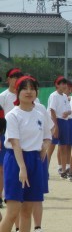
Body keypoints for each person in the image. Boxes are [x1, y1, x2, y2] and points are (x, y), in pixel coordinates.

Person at [0, 76, 51, 232]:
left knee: (27, 209)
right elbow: (15, 143)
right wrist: (22, 168)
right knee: (13, 211)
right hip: (16, 160)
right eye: (25, 88)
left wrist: (44, 148)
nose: (29, 92)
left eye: (32, 88)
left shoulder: (40, 112)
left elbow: (48, 135)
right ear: (17, 92)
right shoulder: (13, 115)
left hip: (35, 160)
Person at [0, 68, 25, 204]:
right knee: (3, 167)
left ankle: (18, 193)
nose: (16, 79)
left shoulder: (23, 96)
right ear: (8, 79)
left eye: (19, 76)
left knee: (20, 165)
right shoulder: (3, 96)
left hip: (22, 137)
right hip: (5, 135)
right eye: (14, 76)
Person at [47, 76, 72, 179]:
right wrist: (55, 126)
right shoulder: (54, 95)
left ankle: (63, 170)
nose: (64, 85)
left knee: (63, 147)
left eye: (65, 83)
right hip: (55, 121)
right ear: (56, 85)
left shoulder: (65, 96)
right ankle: (45, 170)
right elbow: (52, 110)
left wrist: (68, 112)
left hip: (64, 122)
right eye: (61, 83)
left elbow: (69, 109)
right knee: (51, 147)